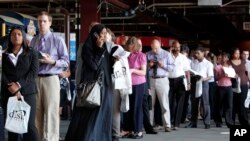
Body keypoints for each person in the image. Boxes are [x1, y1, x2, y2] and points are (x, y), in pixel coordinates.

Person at [65, 24, 113, 141]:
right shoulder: (87, 47)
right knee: (89, 116)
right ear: (95, 34)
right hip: (91, 87)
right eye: (101, 33)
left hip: (105, 87)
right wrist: (99, 49)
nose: (104, 36)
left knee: (101, 116)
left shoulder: (107, 48)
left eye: (105, 33)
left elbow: (106, 68)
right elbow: (94, 66)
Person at [30, 11, 69, 141]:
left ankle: (52, 139)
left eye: (44, 21)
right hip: (35, 79)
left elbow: (66, 61)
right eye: (39, 21)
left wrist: (52, 61)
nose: (41, 24)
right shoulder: (34, 41)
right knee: (36, 113)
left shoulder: (57, 40)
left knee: (52, 113)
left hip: (51, 79)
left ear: (50, 23)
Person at [1, 26, 39, 141]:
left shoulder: (32, 53)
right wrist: (11, 86)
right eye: (13, 34)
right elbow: (1, 72)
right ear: (9, 37)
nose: (16, 36)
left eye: (19, 34)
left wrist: (18, 85)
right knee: (13, 127)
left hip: (28, 93)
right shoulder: (3, 54)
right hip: (8, 92)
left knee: (29, 126)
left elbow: (33, 73)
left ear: (23, 36)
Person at [146, 39, 175, 132]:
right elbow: (143, 67)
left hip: (162, 79)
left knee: (164, 103)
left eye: (156, 48)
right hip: (150, 80)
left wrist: (163, 66)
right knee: (150, 104)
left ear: (160, 46)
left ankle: (167, 125)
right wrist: (148, 66)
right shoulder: (148, 54)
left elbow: (172, 68)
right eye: (153, 48)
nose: (154, 50)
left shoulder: (167, 54)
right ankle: (149, 125)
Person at [122, 37, 147, 139]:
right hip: (127, 84)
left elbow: (143, 72)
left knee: (137, 108)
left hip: (138, 84)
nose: (131, 49)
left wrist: (132, 70)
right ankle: (129, 130)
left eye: (132, 47)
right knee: (128, 108)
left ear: (136, 46)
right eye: (129, 47)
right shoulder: (126, 55)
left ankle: (138, 131)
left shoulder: (141, 55)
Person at [186, 47, 213, 129]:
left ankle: (207, 122)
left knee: (205, 103)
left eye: (198, 53)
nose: (196, 55)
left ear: (203, 53)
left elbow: (210, 76)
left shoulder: (208, 63)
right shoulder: (193, 62)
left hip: (204, 83)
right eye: (196, 53)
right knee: (194, 103)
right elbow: (190, 72)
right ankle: (193, 122)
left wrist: (203, 78)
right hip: (195, 82)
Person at [169, 40, 190, 130]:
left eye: (178, 47)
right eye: (175, 47)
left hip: (180, 80)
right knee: (169, 102)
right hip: (169, 80)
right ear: (172, 47)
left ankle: (176, 124)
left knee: (180, 102)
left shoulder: (183, 58)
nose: (177, 49)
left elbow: (187, 71)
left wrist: (189, 83)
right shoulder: (168, 56)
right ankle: (169, 122)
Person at [214, 52, 234, 128]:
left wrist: (234, 75)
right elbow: (216, 78)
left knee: (229, 105)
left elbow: (231, 77)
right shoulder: (218, 67)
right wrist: (222, 75)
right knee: (219, 105)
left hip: (229, 87)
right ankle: (218, 121)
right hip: (220, 87)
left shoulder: (230, 67)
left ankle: (229, 122)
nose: (223, 58)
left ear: (228, 58)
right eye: (222, 57)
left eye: (225, 57)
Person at [230, 48, 249, 125]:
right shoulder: (229, 62)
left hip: (244, 84)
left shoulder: (243, 62)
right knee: (233, 103)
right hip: (234, 84)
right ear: (232, 54)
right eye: (235, 53)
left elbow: (247, 73)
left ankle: (244, 121)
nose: (237, 55)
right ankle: (232, 121)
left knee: (242, 103)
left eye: (238, 53)